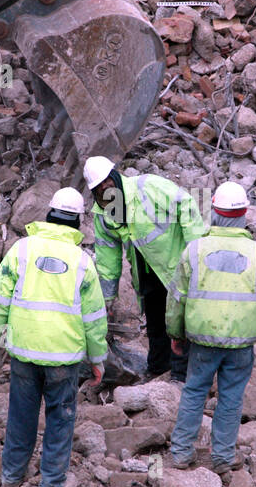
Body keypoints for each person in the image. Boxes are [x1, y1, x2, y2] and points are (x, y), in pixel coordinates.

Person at [0, 187, 107, 487]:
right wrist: (97, 358)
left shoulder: (22, 250)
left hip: (23, 350)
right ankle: (51, 485)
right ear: (78, 221)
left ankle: (10, 476)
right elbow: (94, 317)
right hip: (63, 357)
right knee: (60, 419)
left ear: (49, 214)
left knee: (21, 414)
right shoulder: (82, 261)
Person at [165, 182, 256, 473]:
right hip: (242, 343)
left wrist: (175, 333)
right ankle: (222, 457)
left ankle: (180, 454)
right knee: (231, 397)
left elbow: (176, 298)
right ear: (244, 213)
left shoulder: (194, 250)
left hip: (202, 341)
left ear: (214, 212)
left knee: (194, 392)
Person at [83, 156, 206, 382]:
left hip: (176, 267)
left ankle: (181, 376)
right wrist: (108, 299)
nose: (104, 187)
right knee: (156, 322)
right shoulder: (103, 214)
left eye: (106, 181)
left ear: (116, 175)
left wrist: (195, 252)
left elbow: (187, 204)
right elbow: (107, 259)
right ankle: (158, 370)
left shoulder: (148, 186)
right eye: (98, 187)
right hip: (146, 274)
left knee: (181, 322)